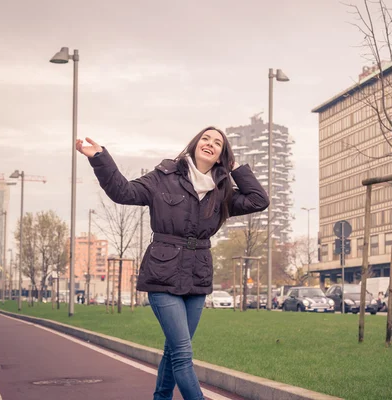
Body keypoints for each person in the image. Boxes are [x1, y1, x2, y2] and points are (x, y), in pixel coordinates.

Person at [76, 126, 269, 400]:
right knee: (182, 352)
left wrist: (235, 166)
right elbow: (124, 192)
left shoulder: (222, 190)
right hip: (163, 274)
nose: (210, 144)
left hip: (197, 277)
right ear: (194, 144)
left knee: (174, 349)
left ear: (221, 155)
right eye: (206, 138)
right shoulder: (163, 177)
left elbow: (259, 200)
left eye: (218, 144)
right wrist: (100, 158)